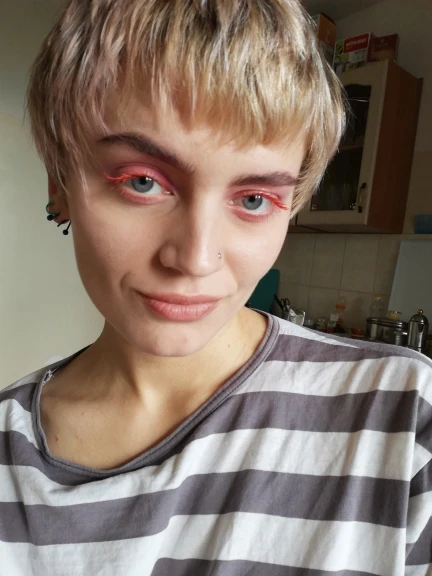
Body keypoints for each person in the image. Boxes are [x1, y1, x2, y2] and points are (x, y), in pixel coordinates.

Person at [1, 0, 431, 574]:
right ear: (60, 182)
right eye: (143, 182)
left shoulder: (404, 420)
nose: (196, 259)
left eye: (254, 198)